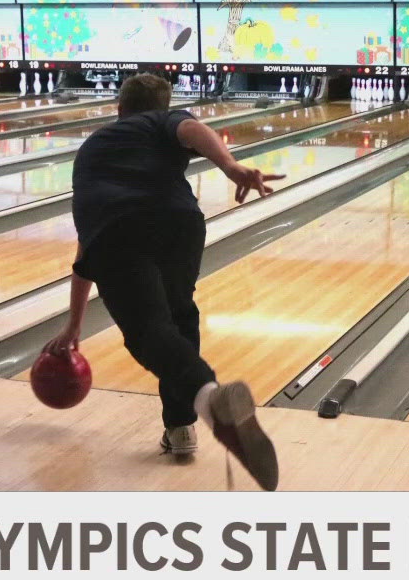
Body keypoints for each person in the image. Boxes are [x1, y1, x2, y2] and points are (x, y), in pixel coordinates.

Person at [67, 73, 284, 490]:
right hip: (179, 224)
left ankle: (208, 400)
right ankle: (181, 425)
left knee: (150, 333)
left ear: (118, 108)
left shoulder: (95, 145)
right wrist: (231, 166)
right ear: (162, 108)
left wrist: (75, 324)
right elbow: (190, 129)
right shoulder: (162, 123)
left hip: (116, 231)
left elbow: (86, 246)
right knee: (178, 319)